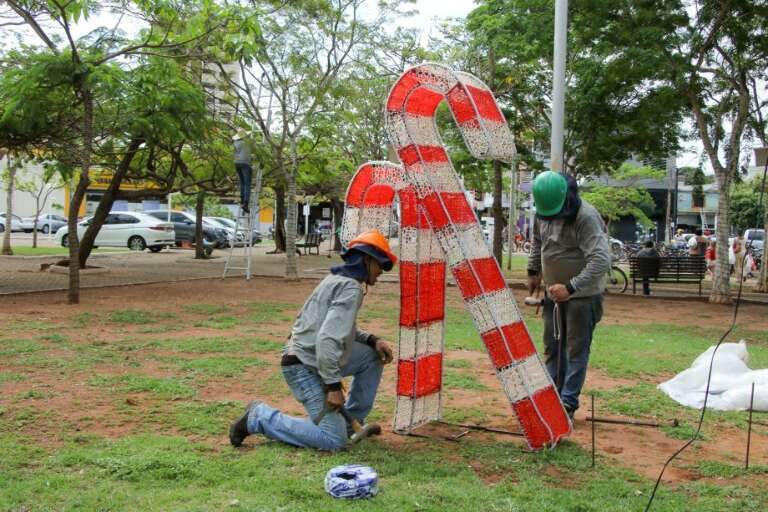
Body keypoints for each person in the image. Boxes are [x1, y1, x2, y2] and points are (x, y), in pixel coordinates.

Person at [229, 229, 396, 451]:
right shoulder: (350, 288)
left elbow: (336, 327)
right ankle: (259, 417)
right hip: (302, 366)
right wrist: (333, 386)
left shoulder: (337, 279)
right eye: (380, 265)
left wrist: (372, 340)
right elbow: (328, 339)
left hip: (307, 355)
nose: (382, 272)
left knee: (372, 356)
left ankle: (351, 422)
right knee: (333, 441)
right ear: (366, 260)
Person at [527, 171, 610, 420]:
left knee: (575, 350)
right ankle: (551, 397)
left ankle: (567, 404)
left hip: (581, 297)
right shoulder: (542, 212)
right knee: (552, 347)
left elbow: (601, 260)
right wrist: (534, 270)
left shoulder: (585, 217)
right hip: (553, 294)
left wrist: (571, 287)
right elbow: (538, 242)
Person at [233, 130, 253, 213]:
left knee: (242, 183)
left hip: (237, 163)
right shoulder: (247, 143)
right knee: (247, 184)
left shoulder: (235, 143)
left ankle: (242, 200)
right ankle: (245, 203)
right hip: (245, 164)